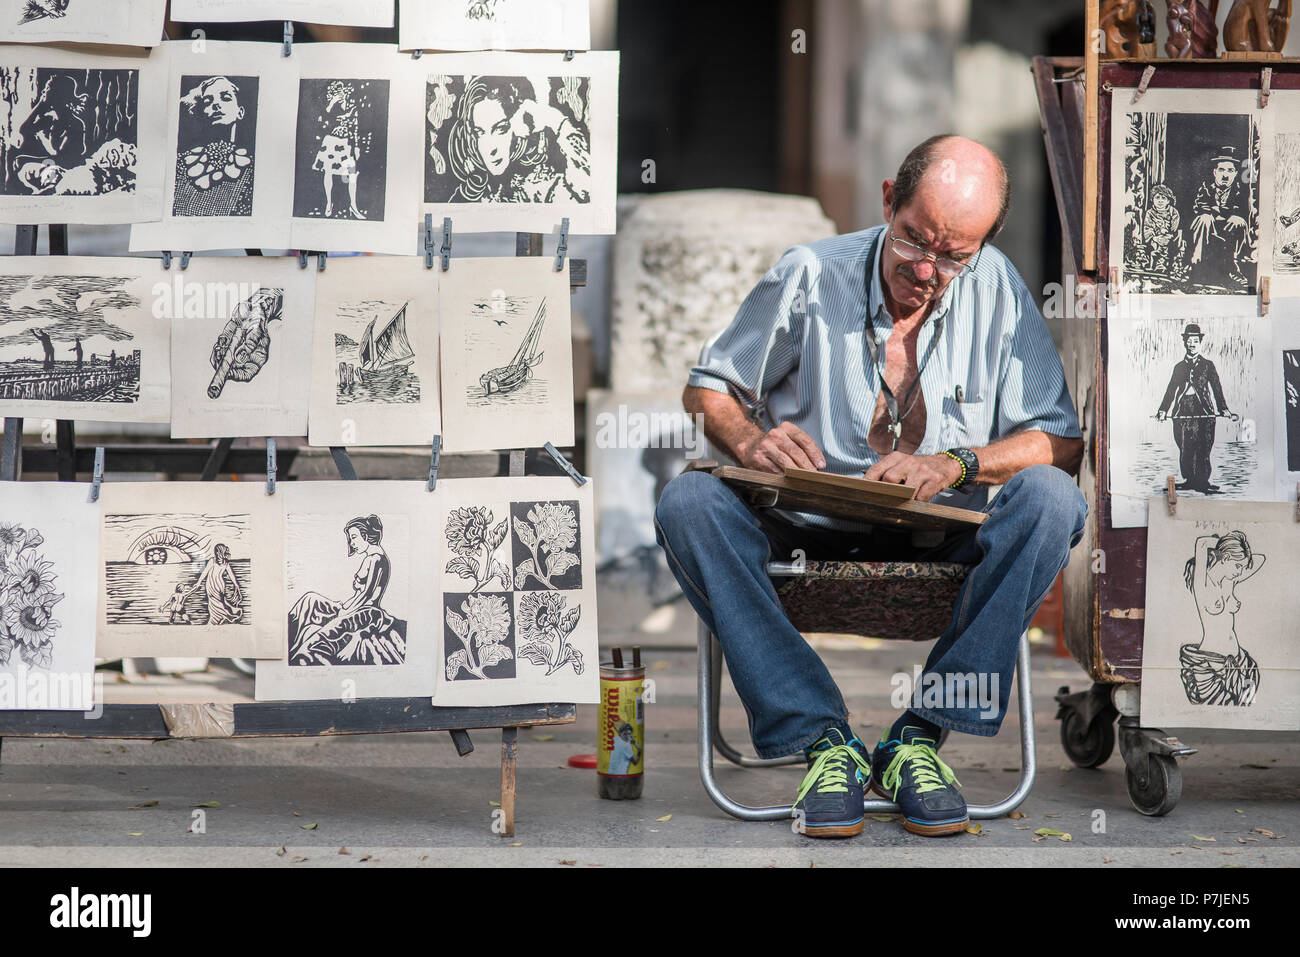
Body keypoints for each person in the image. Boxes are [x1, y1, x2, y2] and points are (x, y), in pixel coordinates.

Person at [654, 135, 1087, 839]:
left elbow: (1060, 440)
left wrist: (958, 463)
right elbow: (708, 389)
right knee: (688, 503)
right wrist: (750, 439)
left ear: (984, 245)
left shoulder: (999, 288)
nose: (926, 268)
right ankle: (825, 740)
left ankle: (918, 737)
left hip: (943, 534)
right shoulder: (808, 272)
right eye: (914, 239)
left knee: (1051, 499)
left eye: (954, 256)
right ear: (888, 198)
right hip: (801, 528)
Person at [446, 76, 590, 205]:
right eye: (480, 133)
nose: (491, 148)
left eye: (501, 129)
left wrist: (554, 119)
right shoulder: (480, 192)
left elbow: (591, 190)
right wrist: (473, 186)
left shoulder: (549, 188)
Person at [287, 515, 405, 666]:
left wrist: (345, 611)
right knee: (310, 600)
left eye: (354, 537)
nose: (352, 543)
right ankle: (289, 638)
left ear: (366, 535)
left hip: (365, 610)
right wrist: (343, 605)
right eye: (350, 538)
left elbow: (367, 594)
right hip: (354, 605)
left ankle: (292, 641)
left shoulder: (375, 559)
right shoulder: (371, 558)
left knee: (313, 610)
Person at [1181, 531, 1263, 706]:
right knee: (1223, 707)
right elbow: (1202, 543)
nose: (1240, 571)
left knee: (1246, 706)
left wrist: (1242, 551)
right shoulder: (1202, 585)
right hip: (1213, 662)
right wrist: (1223, 543)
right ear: (1224, 558)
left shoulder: (1228, 582)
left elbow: (1260, 559)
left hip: (1239, 661)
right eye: (1237, 566)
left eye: (1242, 566)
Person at [1155, 323, 1237, 493]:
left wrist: (1223, 409)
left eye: (1195, 341)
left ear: (1200, 342)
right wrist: (1163, 410)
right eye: (1189, 341)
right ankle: (1189, 480)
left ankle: (1203, 481)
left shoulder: (1208, 365)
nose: (1191, 344)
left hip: (1204, 411)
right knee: (1185, 446)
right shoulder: (1179, 367)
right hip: (1183, 411)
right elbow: (1171, 389)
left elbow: (1216, 388)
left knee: (1204, 446)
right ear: (1184, 342)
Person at [172, 76, 254, 217]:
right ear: (201, 114)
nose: (216, 104)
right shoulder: (181, 164)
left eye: (226, 98)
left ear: (240, 112)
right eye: (208, 101)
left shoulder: (251, 168)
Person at [1188, 146, 1251, 288]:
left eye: (1230, 171)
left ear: (1235, 174)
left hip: (1227, 226)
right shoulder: (1206, 187)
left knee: (1239, 222)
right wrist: (1217, 213)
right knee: (1205, 218)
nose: (1225, 175)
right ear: (1215, 172)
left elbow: (1240, 210)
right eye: (1222, 170)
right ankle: (1195, 263)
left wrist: (1231, 215)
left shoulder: (1239, 191)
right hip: (1206, 226)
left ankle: (1233, 265)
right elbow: (1200, 206)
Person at [311, 81, 365, 219]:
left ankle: (353, 206)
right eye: (336, 92)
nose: (340, 95)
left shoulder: (352, 107)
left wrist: (357, 146)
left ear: (346, 92)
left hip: (346, 144)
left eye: (342, 92)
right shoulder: (329, 108)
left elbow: (356, 127)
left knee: (351, 175)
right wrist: (331, 103)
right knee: (328, 173)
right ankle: (329, 204)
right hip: (331, 143)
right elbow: (322, 121)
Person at [181, 543, 242, 625]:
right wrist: (236, 584)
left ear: (218, 552)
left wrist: (199, 582)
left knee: (214, 603)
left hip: (212, 584)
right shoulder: (225, 563)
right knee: (220, 602)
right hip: (220, 584)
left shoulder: (212, 560)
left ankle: (224, 617)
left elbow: (205, 572)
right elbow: (231, 575)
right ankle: (224, 616)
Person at [1141, 183, 1184, 275]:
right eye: (1157, 197)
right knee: (1156, 244)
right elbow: (1147, 226)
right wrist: (1154, 236)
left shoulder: (1173, 212)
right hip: (1155, 237)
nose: (1160, 200)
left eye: (1163, 198)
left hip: (1169, 236)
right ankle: (1157, 262)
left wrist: (1167, 232)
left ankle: (1162, 263)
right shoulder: (1150, 213)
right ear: (1152, 199)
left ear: (1168, 200)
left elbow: (1174, 226)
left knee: (1167, 243)